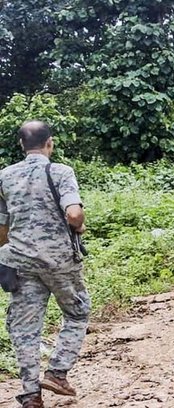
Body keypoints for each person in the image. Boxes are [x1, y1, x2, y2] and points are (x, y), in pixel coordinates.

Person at [0, 121, 90, 408]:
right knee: (77, 313)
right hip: (59, 260)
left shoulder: (4, 176)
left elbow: (1, 226)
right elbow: (74, 214)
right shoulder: (61, 171)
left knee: (25, 328)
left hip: (21, 262)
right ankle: (57, 372)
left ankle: (30, 395)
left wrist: (8, 253)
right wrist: (80, 226)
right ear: (49, 143)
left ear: (21, 145)